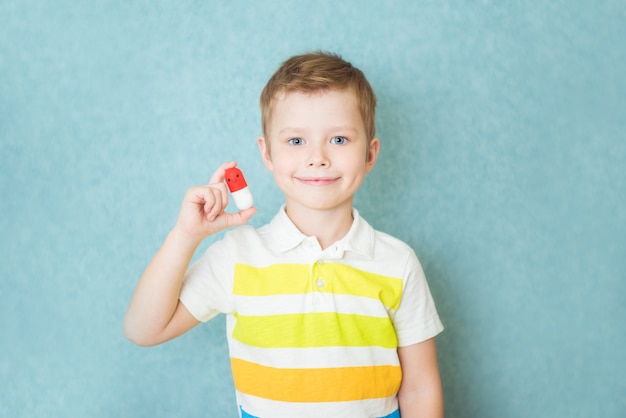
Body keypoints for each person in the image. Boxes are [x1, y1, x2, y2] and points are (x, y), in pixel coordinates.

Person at [124, 51, 444, 418]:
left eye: (339, 140)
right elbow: (143, 329)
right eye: (296, 141)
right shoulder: (238, 256)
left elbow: (420, 389)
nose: (317, 157)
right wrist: (185, 235)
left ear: (370, 154)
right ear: (268, 153)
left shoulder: (397, 262)